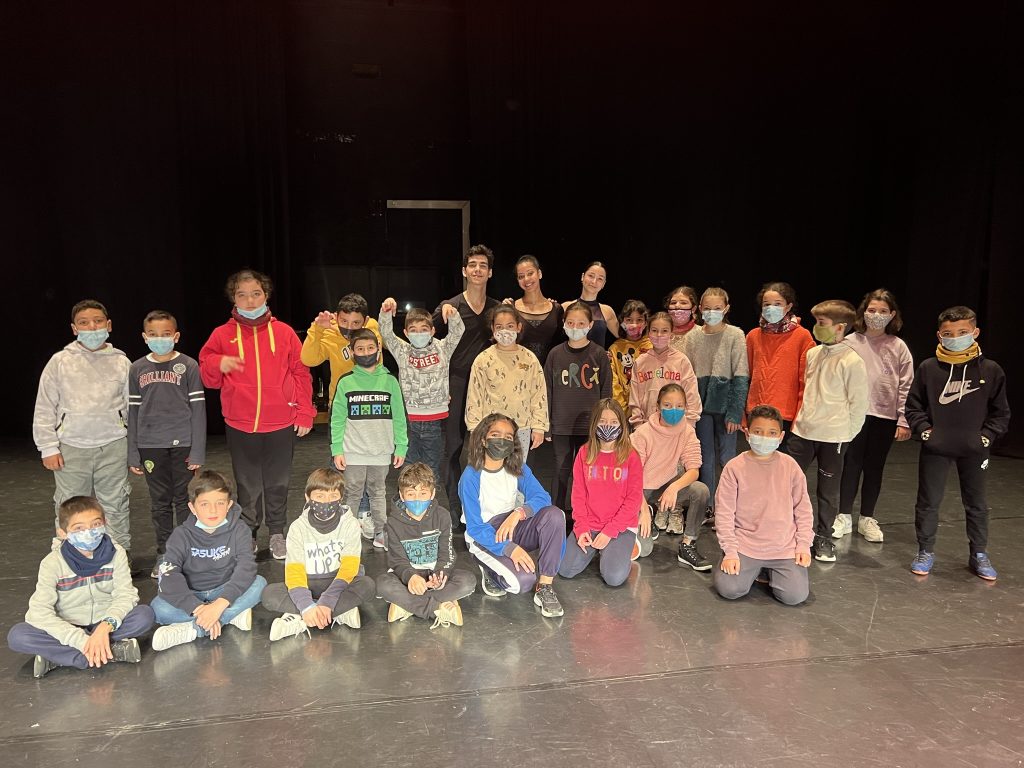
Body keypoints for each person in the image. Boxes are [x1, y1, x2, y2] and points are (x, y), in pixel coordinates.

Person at [199, 269, 314, 560]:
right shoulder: (221, 335)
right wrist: (217, 363)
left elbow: (301, 373)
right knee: (247, 485)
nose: (250, 301)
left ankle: (276, 532)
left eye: (256, 294)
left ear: (266, 296)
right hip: (241, 424)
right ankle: (248, 533)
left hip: (281, 423)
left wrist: (305, 412)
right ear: (233, 298)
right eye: (242, 295)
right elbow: (208, 378)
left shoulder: (284, 332)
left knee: (278, 483)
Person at [905, 306, 1011, 580]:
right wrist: (925, 431)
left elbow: (1001, 412)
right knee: (928, 502)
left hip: (974, 450)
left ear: (975, 332)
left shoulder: (990, 370)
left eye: (962, 332)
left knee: (977, 503)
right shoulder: (929, 368)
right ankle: (925, 551)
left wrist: (986, 436)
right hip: (936, 448)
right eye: (949, 333)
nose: (955, 338)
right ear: (939, 336)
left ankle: (979, 553)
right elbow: (913, 406)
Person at [7, 496, 155, 678]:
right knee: (19, 636)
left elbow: (125, 595)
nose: (89, 532)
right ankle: (105, 652)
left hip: (105, 622)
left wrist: (105, 627)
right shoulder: (52, 563)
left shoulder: (117, 553)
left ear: (105, 523)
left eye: (95, 524)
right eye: (79, 528)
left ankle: (60, 657)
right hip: (67, 625)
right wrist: (81, 640)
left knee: (144, 615)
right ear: (63, 533)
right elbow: (38, 612)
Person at [33, 299, 132, 551]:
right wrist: (48, 447)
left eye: (98, 321)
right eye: (84, 323)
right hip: (71, 448)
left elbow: (132, 407)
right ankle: (68, 557)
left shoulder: (122, 362)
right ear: (74, 328)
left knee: (116, 503)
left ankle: (118, 555)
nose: (92, 327)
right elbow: (45, 406)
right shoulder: (60, 362)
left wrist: (135, 446)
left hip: (113, 445)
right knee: (70, 506)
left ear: (108, 325)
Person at [459, 414, 567, 618]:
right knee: (521, 583)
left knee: (555, 515)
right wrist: (509, 549)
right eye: (495, 435)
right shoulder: (471, 476)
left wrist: (520, 512)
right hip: (485, 536)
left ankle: (545, 587)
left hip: (511, 526)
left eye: (508, 437)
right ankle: (490, 570)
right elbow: (475, 527)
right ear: (483, 440)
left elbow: (542, 497)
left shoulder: (517, 467)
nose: (502, 440)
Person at [786, 300, 868, 563]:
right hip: (803, 431)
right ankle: (788, 532)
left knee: (828, 490)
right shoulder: (813, 353)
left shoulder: (852, 361)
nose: (816, 327)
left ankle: (823, 536)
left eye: (822, 323)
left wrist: (845, 434)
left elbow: (859, 404)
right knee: (788, 483)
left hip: (834, 437)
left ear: (840, 327)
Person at [128, 310, 207, 578]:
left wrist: (197, 451)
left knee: (185, 499)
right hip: (150, 445)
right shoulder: (137, 368)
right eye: (153, 334)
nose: (159, 339)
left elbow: (198, 411)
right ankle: (164, 552)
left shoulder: (188, 365)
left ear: (176, 336)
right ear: (144, 337)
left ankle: (186, 552)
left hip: (183, 443)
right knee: (160, 502)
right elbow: (133, 412)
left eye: (165, 334)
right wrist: (133, 453)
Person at [149, 471, 267, 651]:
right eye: (205, 504)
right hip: (192, 593)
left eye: (220, 503)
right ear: (192, 507)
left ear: (229, 505)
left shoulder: (240, 529)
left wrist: (220, 604)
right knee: (158, 608)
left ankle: (195, 629)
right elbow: (169, 575)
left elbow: (246, 567)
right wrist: (196, 607)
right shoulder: (181, 535)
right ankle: (229, 616)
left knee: (259, 584)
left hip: (224, 590)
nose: (213, 510)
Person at [713, 405, 813, 606]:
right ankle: (754, 569)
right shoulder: (734, 468)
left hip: (783, 546)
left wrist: (803, 545)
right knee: (729, 589)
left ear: (781, 436)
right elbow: (724, 513)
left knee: (795, 596)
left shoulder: (790, 466)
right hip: (746, 545)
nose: (764, 437)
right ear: (747, 433)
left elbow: (803, 509)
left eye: (772, 433)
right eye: (758, 432)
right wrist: (730, 552)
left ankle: (767, 571)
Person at [835, 289, 914, 543]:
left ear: (892, 314)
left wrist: (903, 419)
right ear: (863, 312)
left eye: (882, 311)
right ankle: (843, 515)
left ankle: (867, 518)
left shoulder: (898, 346)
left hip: (884, 416)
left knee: (874, 467)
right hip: (854, 415)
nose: (876, 315)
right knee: (851, 464)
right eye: (872, 310)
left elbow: (906, 385)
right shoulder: (849, 342)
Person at [260, 468, 372, 640]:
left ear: (341, 498)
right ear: (307, 497)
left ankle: (302, 617)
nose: (326, 502)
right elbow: (294, 572)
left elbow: (349, 568)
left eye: (333, 496)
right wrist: (306, 605)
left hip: (338, 582)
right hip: (308, 583)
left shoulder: (350, 524)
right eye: (320, 496)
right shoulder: (298, 528)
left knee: (367, 585)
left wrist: (328, 600)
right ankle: (334, 612)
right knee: (269, 594)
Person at [433, 245, 501, 526]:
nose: (477, 269)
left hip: (488, 387)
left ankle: (485, 507)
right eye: (472, 265)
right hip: (456, 383)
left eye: (483, 265)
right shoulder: (450, 307)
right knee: (452, 448)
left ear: (490, 272)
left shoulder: (498, 309)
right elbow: (426, 341)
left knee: (486, 447)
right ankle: (455, 508)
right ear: (464, 271)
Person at [331, 329, 408, 549]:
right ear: (352, 352)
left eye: (370, 348)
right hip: (353, 451)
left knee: (378, 492)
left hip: (381, 451)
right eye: (360, 349)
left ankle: (381, 532)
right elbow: (337, 418)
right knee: (352, 493)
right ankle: (348, 535)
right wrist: (337, 449)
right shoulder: (346, 382)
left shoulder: (390, 381)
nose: (366, 353)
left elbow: (399, 417)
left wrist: (401, 446)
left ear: (378, 349)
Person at [558, 399, 647, 587]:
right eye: (603, 421)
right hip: (590, 524)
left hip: (620, 527)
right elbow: (578, 495)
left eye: (614, 422)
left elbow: (633, 500)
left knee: (613, 578)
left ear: (621, 425)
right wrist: (581, 528)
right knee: (565, 569)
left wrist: (609, 532)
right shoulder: (584, 453)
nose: (608, 426)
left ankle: (622, 547)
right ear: (594, 424)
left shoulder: (631, 456)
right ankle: (601, 550)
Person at [377, 462, 477, 628]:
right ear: (402, 495)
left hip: (435, 574)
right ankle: (437, 608)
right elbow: (397, 560)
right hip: (408, 578)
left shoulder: (442, 516)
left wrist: (440, 575)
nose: (417, 499)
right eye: (411, 494)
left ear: (432, 494)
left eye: (423, 493)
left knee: (467, 581)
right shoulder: (393, 522)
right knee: (383, 583)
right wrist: (411, 577)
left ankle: (408, 605)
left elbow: (447, 553)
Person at [378, 297, 463, 486]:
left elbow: (458, 331)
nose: (419, 334)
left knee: (431, 468)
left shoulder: (443, 348)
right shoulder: (402, 350)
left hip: (435, 421)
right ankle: (406, 500)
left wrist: (452, 313)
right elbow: (386, 333)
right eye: (413, 330)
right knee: (408, 467)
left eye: (424, 329)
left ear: (432, 331)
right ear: (406, 333)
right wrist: (386, 311)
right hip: (408, 421)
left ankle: (429, 500)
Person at [682, 288, 749, 517]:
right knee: (705, 458)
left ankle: (730, 505)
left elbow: (741, 375)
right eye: (708, 308)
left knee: (727, 457)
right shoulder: (692, 337)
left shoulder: (735, 335)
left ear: (726, 309)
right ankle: (708, 506)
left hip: (725, 406)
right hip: (701, 408)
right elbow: (688, 376)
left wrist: (735, 412)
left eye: (717, 308)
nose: (712, 312)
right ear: (700, 309)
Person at [631, 383, 711, 570]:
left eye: (679, 406)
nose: (673, 410)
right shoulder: (642, 433)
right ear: (658, 407)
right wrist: (642, 510)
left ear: (685, 407)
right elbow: (632, 477)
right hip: (640, 490)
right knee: (644, 550)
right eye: (667, 405)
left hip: (666, 488)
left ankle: (688, 544)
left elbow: (694, 469)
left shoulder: (688, 431)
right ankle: (648, 511)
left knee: (700, 491)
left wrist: (674, 488)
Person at [543, 300, 612, 511]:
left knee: (589, 470)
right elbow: (547, 391)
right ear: (564, 324)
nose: (575, 327)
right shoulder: (555, 354)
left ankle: (587, 513)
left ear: (590, 325)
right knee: (561, 469)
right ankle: (557, 513)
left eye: (581, 323)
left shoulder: (599, 354)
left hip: (590, 426)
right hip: (561, 424)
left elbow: (606, 393)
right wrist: (547, 425)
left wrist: (603, 424)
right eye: (570, 323)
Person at [465, 305, 549, 460]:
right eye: (499, 327)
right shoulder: (483, 359)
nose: (505, 331)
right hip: (490, 430)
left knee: (516, 470)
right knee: (491, 469)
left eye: (510, 326)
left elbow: (539, 394)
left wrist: (539, 426)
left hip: (521, 428)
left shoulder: (529, 359)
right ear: (492, 328)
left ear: (518, 327)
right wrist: (474, 428)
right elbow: (474, 396)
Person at [745, 281, 816, 439]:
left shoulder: (802, 336)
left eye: (777, 304)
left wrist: (800, 417)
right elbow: (745, 377)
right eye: (766, 304)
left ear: (788, 306)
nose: (771, 308)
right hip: (755, 413)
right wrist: (743, 416)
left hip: (786, 416)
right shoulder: (753, 336)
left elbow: (806, 381)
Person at [300, 292, 382, 408]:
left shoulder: (373, 327)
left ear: (365, 321)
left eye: (356, 323)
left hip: (375, 399)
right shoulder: (330, 334)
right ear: (336, 316)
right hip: (342, 403)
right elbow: (308, 360)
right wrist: (317, 329)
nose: (349, 327)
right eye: (344, 321)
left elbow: (391, 342)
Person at [628, 312, 701, 428]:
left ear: (671, 334)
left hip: (677, 426)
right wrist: (637, 425)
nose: (659, 335)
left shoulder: (682, 360)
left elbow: (692, 395)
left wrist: (689, 424)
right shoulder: (640, 362)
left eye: (664, 331)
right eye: (654, 330)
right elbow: (634, 398)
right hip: (647, 426)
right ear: (648, 333)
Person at [509, 255, 564, 363]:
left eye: (530, 273)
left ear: (539, 273)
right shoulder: (511, 308)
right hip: (518, 370)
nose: (526, 279)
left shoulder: (556, 309)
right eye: (521, 276)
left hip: (549, 371)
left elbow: (562, 344)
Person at [562, 261, 619, 347]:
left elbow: (625, 338)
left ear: (603, 284)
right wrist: (548, 305)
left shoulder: (607, 311)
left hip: (598, 356)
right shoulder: (565, 307)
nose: (594, 281)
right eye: (591, 276)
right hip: (568, 355)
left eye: (600, 279)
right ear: (582, 277)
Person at [609, 300, 652, 411]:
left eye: (639, 320)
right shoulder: (615, 349)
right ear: (622, 322)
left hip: (652, 408)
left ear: (646, 322)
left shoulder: (653, 345)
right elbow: (613, 383)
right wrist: (622, 410)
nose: (634, 324)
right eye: (629, 320)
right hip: (625, 410)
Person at [665, 285, 699, 354]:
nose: (677, 306)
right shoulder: (659, 332)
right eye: (673, 303)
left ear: (693, 309)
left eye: (683, 303)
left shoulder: (701, 333)